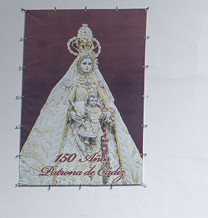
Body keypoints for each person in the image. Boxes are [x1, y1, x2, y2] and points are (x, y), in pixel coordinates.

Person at [19, 24, 143, 186]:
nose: (87, 67)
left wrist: (105, 112)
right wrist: (70, 113)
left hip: (95, 123)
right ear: (78, 64)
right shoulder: (72, 83)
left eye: (89, 64)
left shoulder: (98, 83)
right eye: (84, 63)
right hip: (76, 124)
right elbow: (61, 104)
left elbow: (107, 103)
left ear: (93, 65)